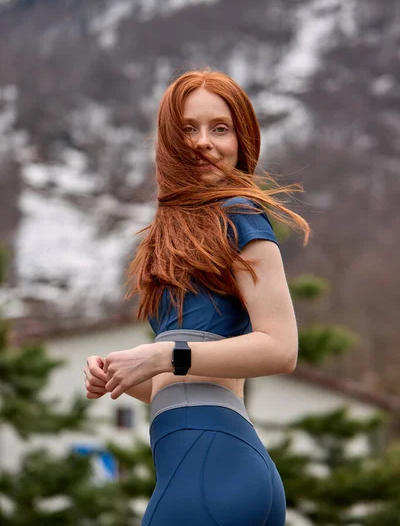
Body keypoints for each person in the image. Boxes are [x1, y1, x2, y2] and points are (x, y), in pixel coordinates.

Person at [84, 69, 310, 525]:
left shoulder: (240, 216)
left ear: (242, 140)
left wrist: (164, 354)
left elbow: (281, 349)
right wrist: (125, 373)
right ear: (169, 140)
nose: (204, 141)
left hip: (212, 468)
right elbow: (190, 384)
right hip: (207, 463)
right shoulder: (176, 234)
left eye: (219, 128)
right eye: (188, 128)